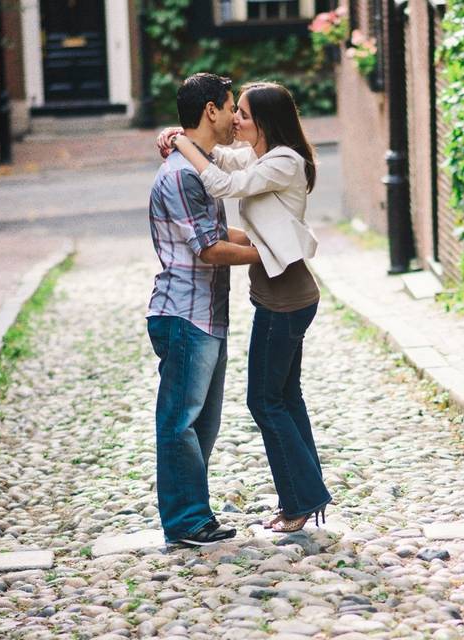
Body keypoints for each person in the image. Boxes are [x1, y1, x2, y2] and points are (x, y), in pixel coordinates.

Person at [157, 82, 331, 533]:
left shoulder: (284, 161)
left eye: (245, 115)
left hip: (285, 294)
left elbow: (221, 182)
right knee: (284, 397)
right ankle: (305, 498)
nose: (236, 120)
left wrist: (180, 142)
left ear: (267, 122)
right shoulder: (260, 155)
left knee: (266, 401)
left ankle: (301, 502)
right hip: (280, 292)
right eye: (235, 112)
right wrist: (183, 137)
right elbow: (218, 158)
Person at [146, 73, 261, 546]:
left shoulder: (197, 166)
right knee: (180, 423)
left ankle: (196, 515)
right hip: (183, 316)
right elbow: (209, 248)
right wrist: (270, 255)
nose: (237, 117)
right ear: (210, 110)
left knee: (202, 424)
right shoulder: (180, 175)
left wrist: (265, 239)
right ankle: (186, 522)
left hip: (206, 315)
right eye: (232, 107)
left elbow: (219, 232)